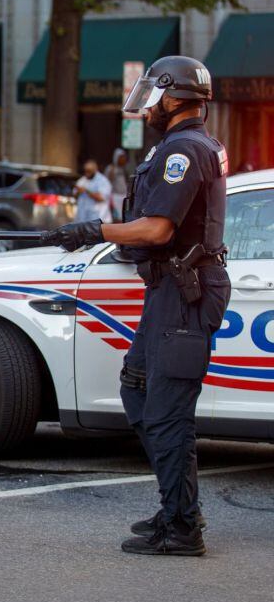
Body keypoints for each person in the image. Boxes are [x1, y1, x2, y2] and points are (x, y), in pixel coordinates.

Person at [43, 55, 230, 557]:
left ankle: (183, 528)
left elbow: (158, 229)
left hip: (185, 292)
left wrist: (91, 230)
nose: (146, 105)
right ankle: (177, 507)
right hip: (169, 289)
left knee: (167, 412)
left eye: (153, 96)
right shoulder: (176, 146)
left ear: (173, 98)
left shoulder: (184, 151)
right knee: (138, 388)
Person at [75, 158, 113, 223]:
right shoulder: (82, 180)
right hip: (83, 219)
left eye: (89, 171)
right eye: (85, 171)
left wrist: (86, 191)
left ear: (95, 170)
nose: (87, 173)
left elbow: (101, 198)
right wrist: (78, 192)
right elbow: (75, 195)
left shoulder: (103, 181)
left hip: (100, 219)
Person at [105, 148, 131, 222]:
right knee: (117, 216)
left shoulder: (125, 169)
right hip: (115, 196)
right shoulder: (111, 168)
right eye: (121, 157)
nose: (124, 159)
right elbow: (106, 182)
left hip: (123, 195)